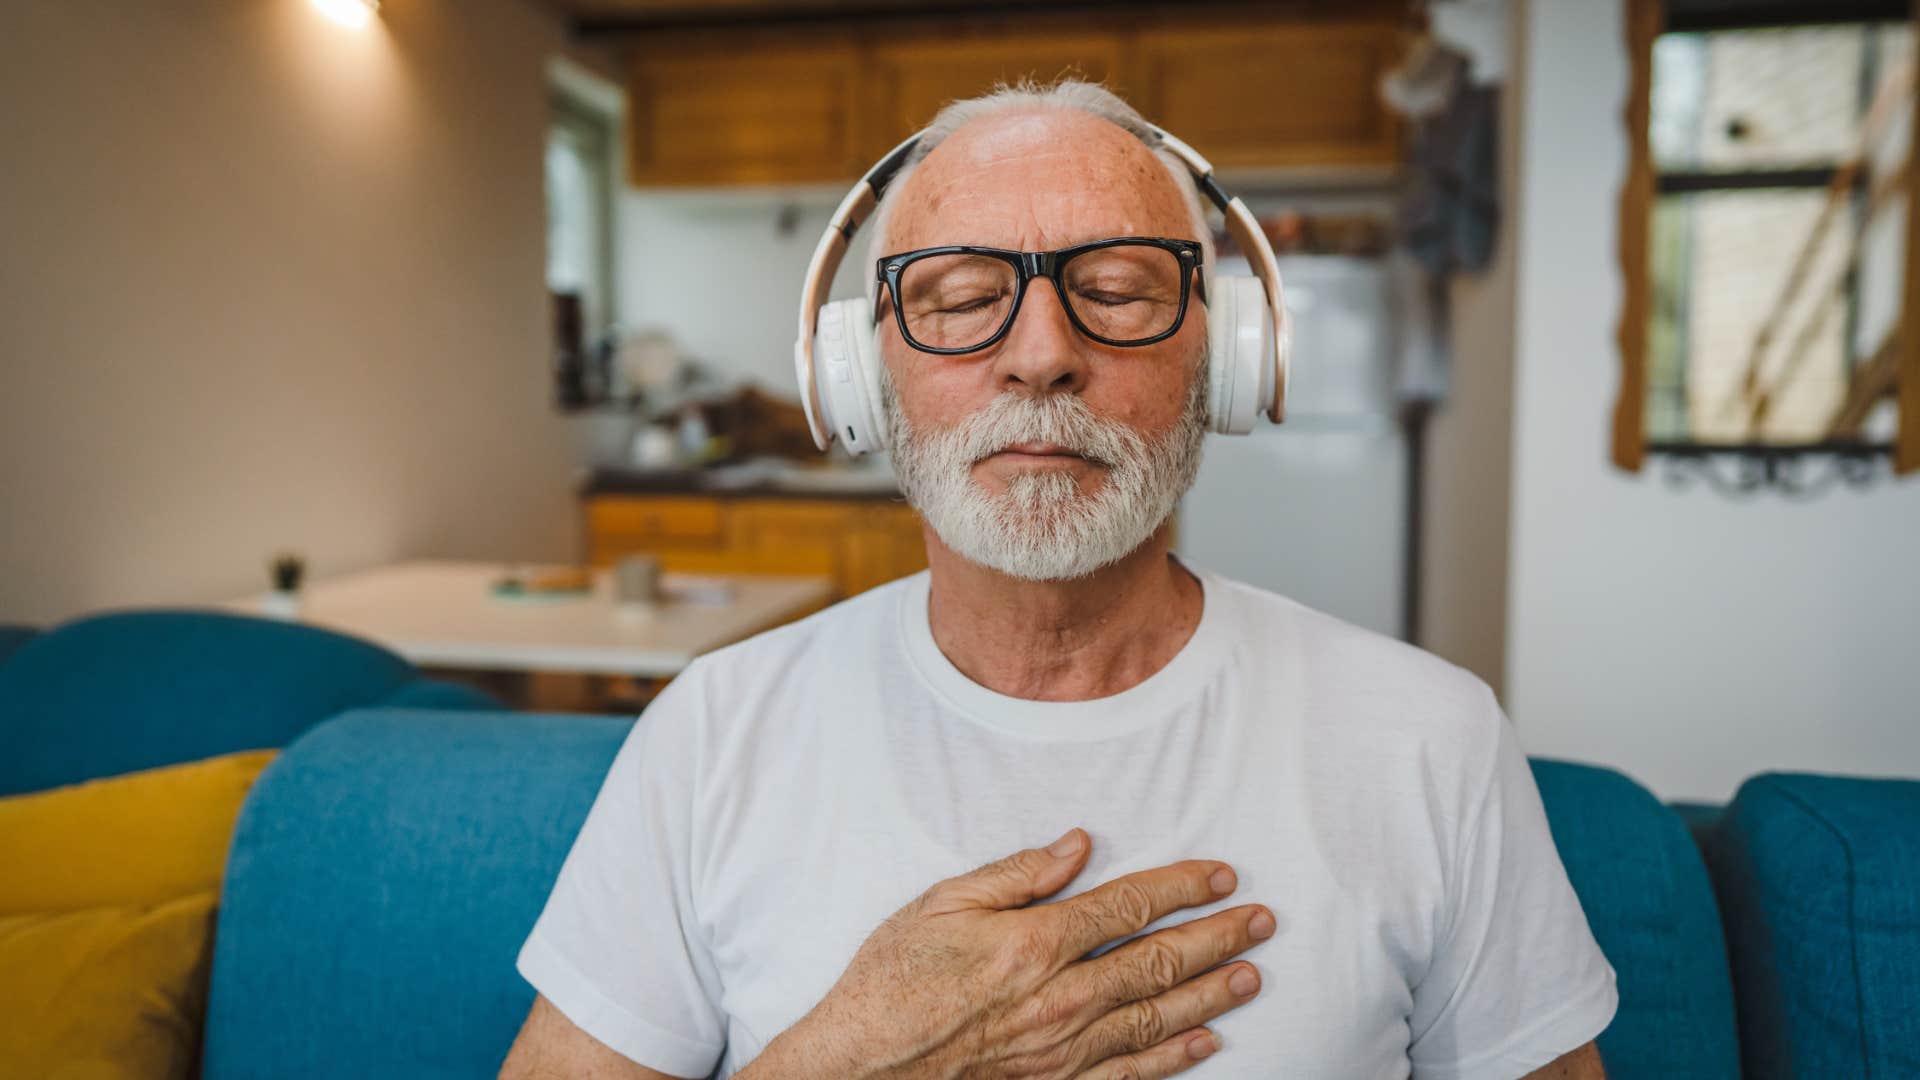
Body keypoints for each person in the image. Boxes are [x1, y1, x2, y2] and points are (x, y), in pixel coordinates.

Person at [500, 80, 1615, 1080]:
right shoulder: (711, 733)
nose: (1040, 354)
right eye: (960, 295)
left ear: (1222, 359)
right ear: (860, 371)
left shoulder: (1430, 738)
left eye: (1120, 290)